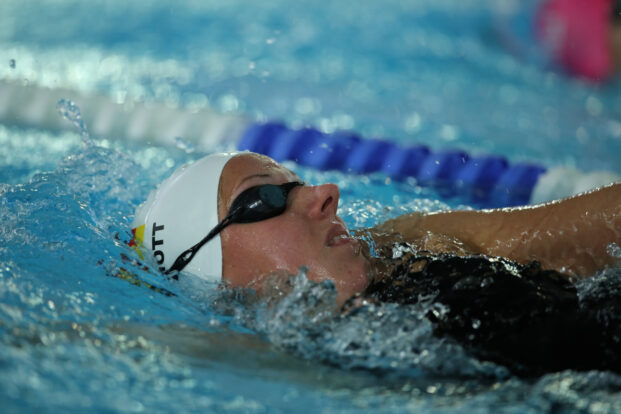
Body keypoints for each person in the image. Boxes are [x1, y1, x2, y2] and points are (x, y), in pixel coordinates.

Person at [131, 151, 621, 375]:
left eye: (301, 183)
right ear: (212, 276)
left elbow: (586, 230)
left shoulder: (411, 246)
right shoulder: (271, 361)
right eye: (264, 198)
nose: (326, 194)